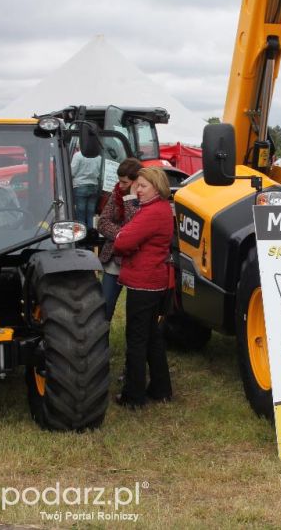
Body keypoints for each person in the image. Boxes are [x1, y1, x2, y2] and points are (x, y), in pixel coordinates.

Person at [113, 166, 174, 408]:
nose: (137, 190)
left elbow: (123, 241)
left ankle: (133, 396)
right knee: (152, 338)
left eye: (142, 186)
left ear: (156, 187)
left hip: (143, 283)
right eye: (137, 185)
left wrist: (123, 239)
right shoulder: (159, 209)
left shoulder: (152, 212)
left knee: (137, 339)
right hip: (154, 281)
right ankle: (161, 389)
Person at [98, 158, 142, 322]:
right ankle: (101, 345)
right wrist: (122, 235)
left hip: (136, 262)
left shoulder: (147, 199)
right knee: (105, 307)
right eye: (119, 181)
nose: (120, 185)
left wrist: (131, 198)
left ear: (136, 181)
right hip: (113, 260)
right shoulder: (116, 193)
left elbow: (138, 225)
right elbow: (102, 222)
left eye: (124, 182)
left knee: (136, 313)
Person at [70, 148, 102, 231]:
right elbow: (100, 173)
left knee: (80, 214)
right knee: (91, 213)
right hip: (94, 186)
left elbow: (72, 172)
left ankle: (81, 236)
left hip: (80, 186)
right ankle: (91, 235)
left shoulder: (77, 155)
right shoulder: (98, 157)